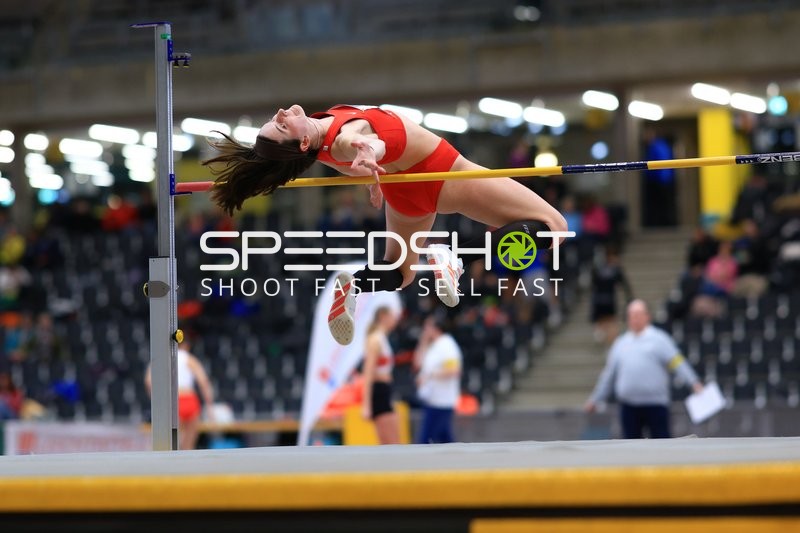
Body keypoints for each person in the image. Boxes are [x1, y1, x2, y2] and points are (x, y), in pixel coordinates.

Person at [202, 104, 567, 345]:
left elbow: (354, 147)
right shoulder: (340, 138)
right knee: (554, 226)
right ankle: (454, 256)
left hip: (403, 193)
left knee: (399, 273)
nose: (282, 111)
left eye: (277, 117)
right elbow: (361, 139)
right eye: (282, 123)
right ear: (299, 143)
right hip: (442, 173)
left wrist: (368, 174)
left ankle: (355, 286)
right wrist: (368, 154)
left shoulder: (318, 143)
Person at [585, 300, 704, 439]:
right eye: (631, 314)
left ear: (647, 316)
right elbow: (609, 375)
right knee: (631, 449)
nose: (635, 318)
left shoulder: (659, 340)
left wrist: (694, 382)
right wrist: (595, 399)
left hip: (656, 405)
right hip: (629, 406)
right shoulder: (621, 343)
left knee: (661, 446)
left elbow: (677, 362)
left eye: (638, 314)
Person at [145, 340, 215, 450]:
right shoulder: (190, 359)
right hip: (191, 400)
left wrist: (156, 402)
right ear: (186, 345)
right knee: (188, 445)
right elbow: (204, 382)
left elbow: (149, 381)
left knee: (173, 444)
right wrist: (210, 407)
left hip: (174, 400)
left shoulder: (162, 359)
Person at [414, 313, 463, 444]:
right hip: (432, 399)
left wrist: (430, 376)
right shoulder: (433, 346)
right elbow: (418, 363)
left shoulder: (446, 345)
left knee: (426, 439)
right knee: (443, 438)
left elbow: (454, 370)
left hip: (442, 401)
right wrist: (423, 341)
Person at [361, 306, 401, 445]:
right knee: (390, 442)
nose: (395, 320)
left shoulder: (382, 338)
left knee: (392, 440)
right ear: (383, 316)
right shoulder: (375, 339)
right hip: (379, 391)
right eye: (392, 316)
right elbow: (368, 372)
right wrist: (366, 405)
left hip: (385, 389)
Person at [590, 248, 633, 345]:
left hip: (600, 300)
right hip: (606, 300)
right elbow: (625, 286)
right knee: (610, 322)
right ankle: (610, 342)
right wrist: (629, 298)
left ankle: (606, 339)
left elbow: (593, 284)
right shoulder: (615, 270)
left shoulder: (600, 269)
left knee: (606, 322)